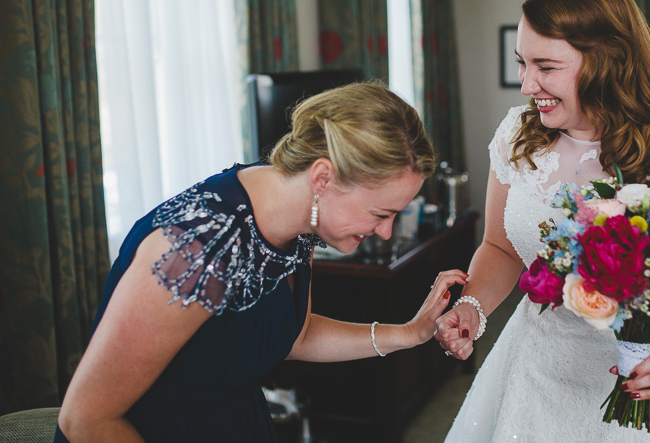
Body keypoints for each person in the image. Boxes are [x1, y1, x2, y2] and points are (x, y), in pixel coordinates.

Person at [436, 0, 650, 442]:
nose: (527, 84)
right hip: (539, 379)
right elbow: (501, 247)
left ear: (609, 60)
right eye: (522, 63)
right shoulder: (516, 137)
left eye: (545, 67)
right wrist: (471, 306)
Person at [55, 82, 468, 442]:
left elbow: (296, 335)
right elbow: (85, 421)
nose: (386, 233)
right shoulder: (198, 250)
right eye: (381, 213)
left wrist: (409, 333)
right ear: (323, 177)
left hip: (234, 422)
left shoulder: (300, 218)